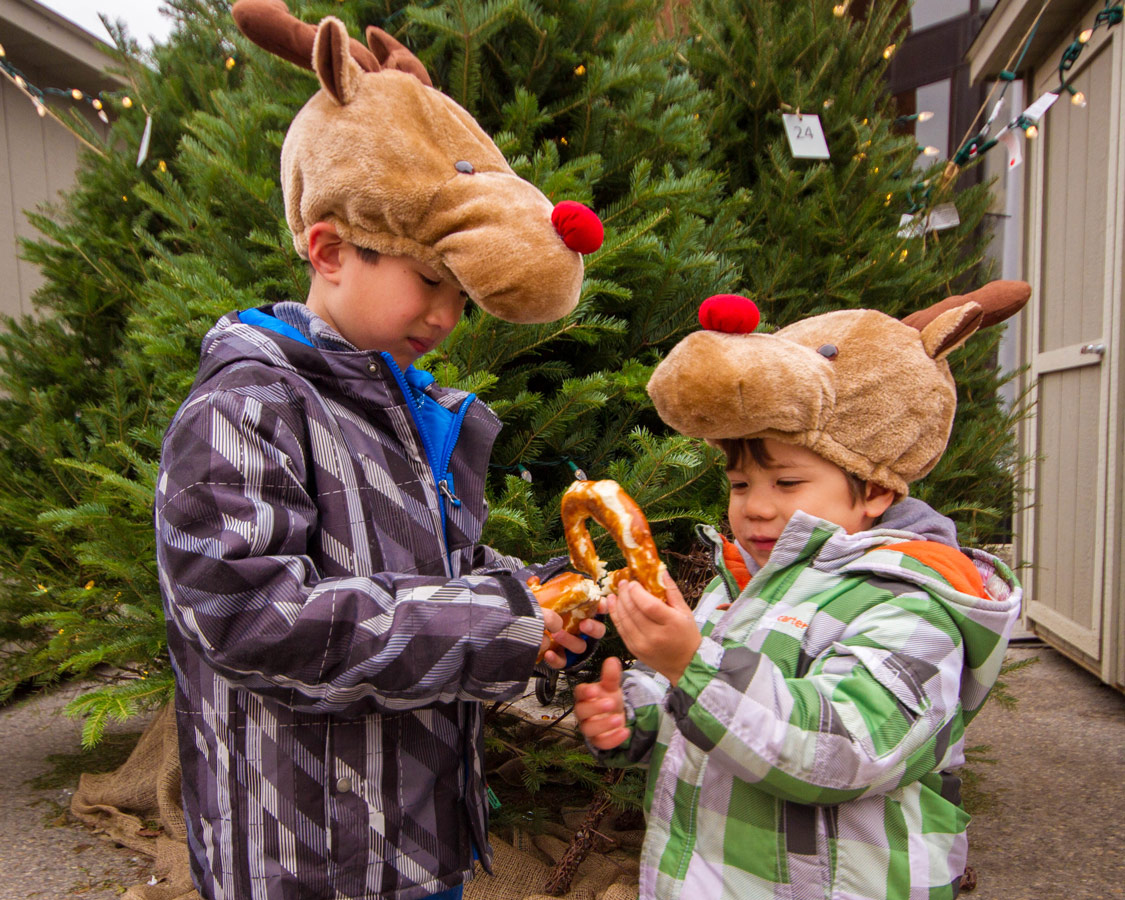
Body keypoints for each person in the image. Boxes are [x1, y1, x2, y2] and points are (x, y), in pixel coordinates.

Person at [155, 5, 606, 900]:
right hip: (306, 864)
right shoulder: (243, 409)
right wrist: (496, 624)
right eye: (427, 282)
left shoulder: (412, 411)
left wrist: (548, 596)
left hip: (419, 840)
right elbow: (252, 619)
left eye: (462, 295)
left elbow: (439, 570)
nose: (445, 317)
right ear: (327, 248)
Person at [574, 284, 1030, 900]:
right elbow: (689, 694)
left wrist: (691, 664)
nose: (756, 509)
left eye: (787, 482)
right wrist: (633, 713)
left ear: (875, 488)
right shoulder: (739, 582)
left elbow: (842, 749)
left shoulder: (910, 601)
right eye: (739, 485)